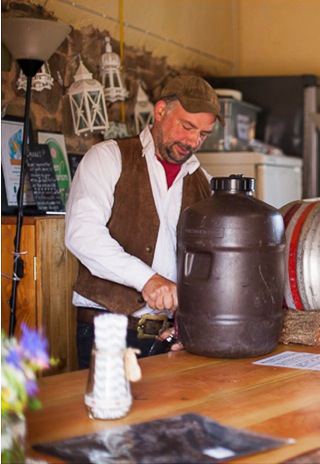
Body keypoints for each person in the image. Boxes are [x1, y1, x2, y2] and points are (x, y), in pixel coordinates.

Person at [65, 75, 223, 369]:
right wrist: (147, 280)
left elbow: (210, 264)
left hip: (174, 338)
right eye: (187, 127)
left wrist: (192, 320)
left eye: (203, 133)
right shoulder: (107, 157)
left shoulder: (206, 185)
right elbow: (81, 234)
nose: (193, 141)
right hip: (109, 334)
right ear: (160, 111)